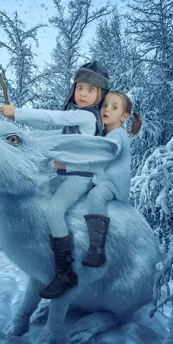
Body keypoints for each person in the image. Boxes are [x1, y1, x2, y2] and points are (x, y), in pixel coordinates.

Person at [0, 61, 110, 299]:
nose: (83, 94)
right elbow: (48, 130)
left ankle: (65, 273)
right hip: (65, 175)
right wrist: (23, 134)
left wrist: (17, 113)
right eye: (81, 88)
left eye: (91, 90)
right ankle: (45, 252)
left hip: (80, 177)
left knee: (53, 211)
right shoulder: (75, 118)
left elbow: (52, 118)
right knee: (35, 195)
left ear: (100, 95)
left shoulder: (86, 118)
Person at [56, 91, 142, 267]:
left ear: (124, 116)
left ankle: (97, 248)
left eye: (114, 107)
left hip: (113, 185)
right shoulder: (105, 134)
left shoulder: (117, 136)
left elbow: (97, 162)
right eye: (105, 105)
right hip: (102, 179)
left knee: (96, 196)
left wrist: (68, 167)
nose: (107, 109)